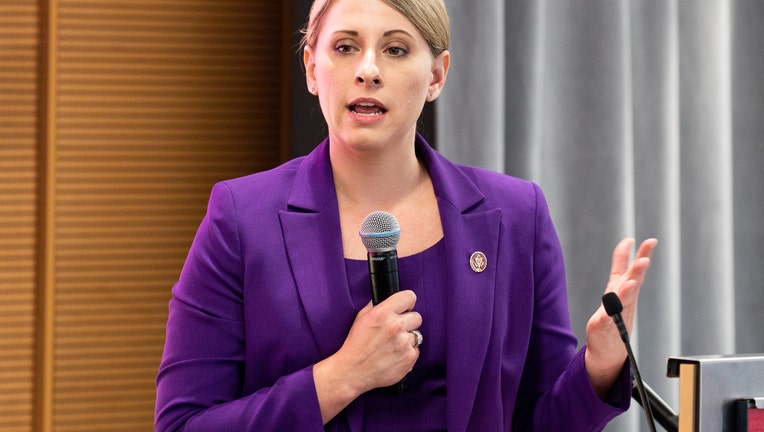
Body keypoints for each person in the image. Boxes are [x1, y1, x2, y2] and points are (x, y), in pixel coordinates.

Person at [154, 0, 658, 430]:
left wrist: (600, 365)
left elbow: (539, 419)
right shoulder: (241, 218)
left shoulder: (515, 215)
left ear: (437, 74)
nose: (368, 69)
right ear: (311, 68)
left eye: (395, 49)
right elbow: (183, 423)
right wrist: (341, 377)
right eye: (345, 47)